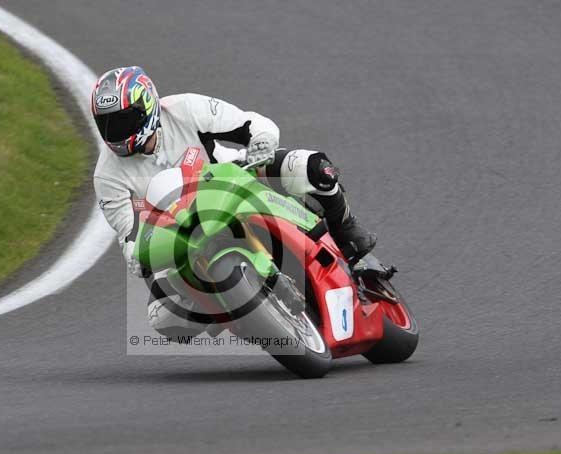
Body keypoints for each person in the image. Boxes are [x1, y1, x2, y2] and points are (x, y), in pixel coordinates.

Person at [92, 66, 376, 339]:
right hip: (180, 234)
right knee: (165, 319)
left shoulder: (185, 109)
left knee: (311, 167)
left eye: (122, 121)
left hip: (232, 180)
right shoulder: (107, 176)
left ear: (147, 107)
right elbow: (129, 234)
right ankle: (241, 311)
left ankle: (346, 229)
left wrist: (260, 142)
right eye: (105, 124)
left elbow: (250, 123)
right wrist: (137, 256)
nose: (114, 132)